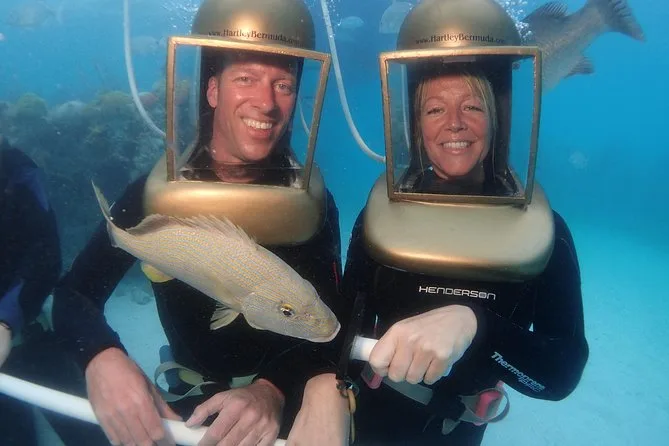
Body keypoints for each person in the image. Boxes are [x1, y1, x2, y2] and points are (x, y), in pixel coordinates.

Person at [51, 1, 351, 445]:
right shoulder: (156, 194)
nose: (266, 103)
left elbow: (329, 320)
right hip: (185, 405)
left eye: (284, 85)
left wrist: (271, 390)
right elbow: (73, 294)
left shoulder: (310, 205)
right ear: (212, 90)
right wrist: (102, 357)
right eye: (245, 78)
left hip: (277, 411)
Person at [339, 0, 589, 444]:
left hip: (460, 430)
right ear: (416, 126)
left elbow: (558, 378)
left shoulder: (543, 232)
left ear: (497, 118)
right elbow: (338, 333)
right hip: (370, 420)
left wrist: (476, 324)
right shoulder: (380, 219)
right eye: (434, 109)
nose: (454, 124)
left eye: (473, 107)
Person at [0, 136, 109, 445]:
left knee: (87, 433)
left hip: (31, 336)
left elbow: (44, 255)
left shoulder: (17, 170)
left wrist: (6, 320)